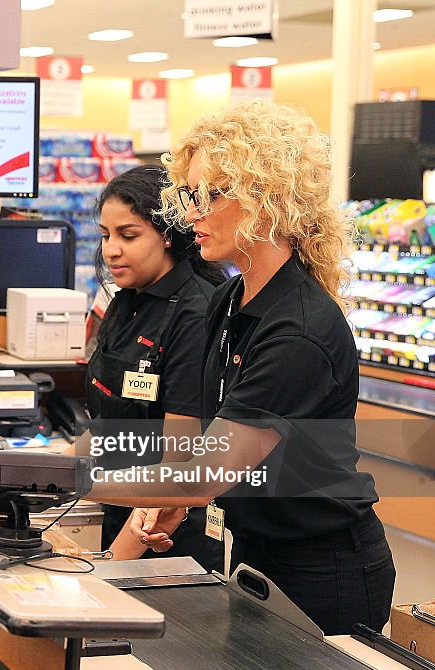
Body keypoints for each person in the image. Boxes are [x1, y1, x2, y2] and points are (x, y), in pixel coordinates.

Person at [83, 100, 396, 636]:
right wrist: (172, 505)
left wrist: (58, 478)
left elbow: (203, 473)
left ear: (267, 200)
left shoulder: (297, 329)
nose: (191, 215)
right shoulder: (230, 300)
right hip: (253, 551)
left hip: (323, 571)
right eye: (189, 195)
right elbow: (209, 449)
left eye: (210, 195)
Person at [70, 165, 225, 571]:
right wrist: (34, 475)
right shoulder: (126, 299)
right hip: (118, 509)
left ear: (168, 233)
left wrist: (109, 568)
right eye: (105, 235)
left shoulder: (196, 314)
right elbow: (108, 427)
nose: (110, 250)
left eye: (128, 235)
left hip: (164, 538)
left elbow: (177, 463)